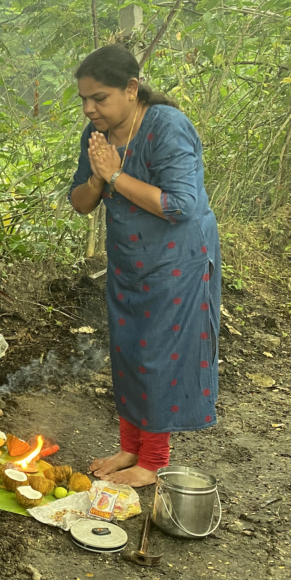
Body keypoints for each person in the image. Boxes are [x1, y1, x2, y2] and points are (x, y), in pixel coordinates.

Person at [69, 44, 220, 488]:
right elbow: (80, 202)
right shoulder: (97, 136)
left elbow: (180, 204)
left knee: (158, 354)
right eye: (83, 99)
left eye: (99, 98)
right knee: (128, 350)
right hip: (129, 261)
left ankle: (152, 461)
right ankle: (129, 447)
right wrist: (98, 176)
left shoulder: (166, 126)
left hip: (178, 259)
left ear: (131, 89)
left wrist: (116, 176)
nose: (89, 108)